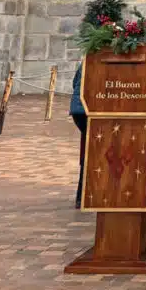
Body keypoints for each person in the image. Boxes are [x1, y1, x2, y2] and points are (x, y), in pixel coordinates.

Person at [69, 61, 87, 208]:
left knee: (87, 150)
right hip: (89, 111)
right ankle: (84, 196)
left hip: (78, 110)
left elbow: (74, 82)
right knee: (92, 151)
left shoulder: (87, 60)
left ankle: (81, 197)